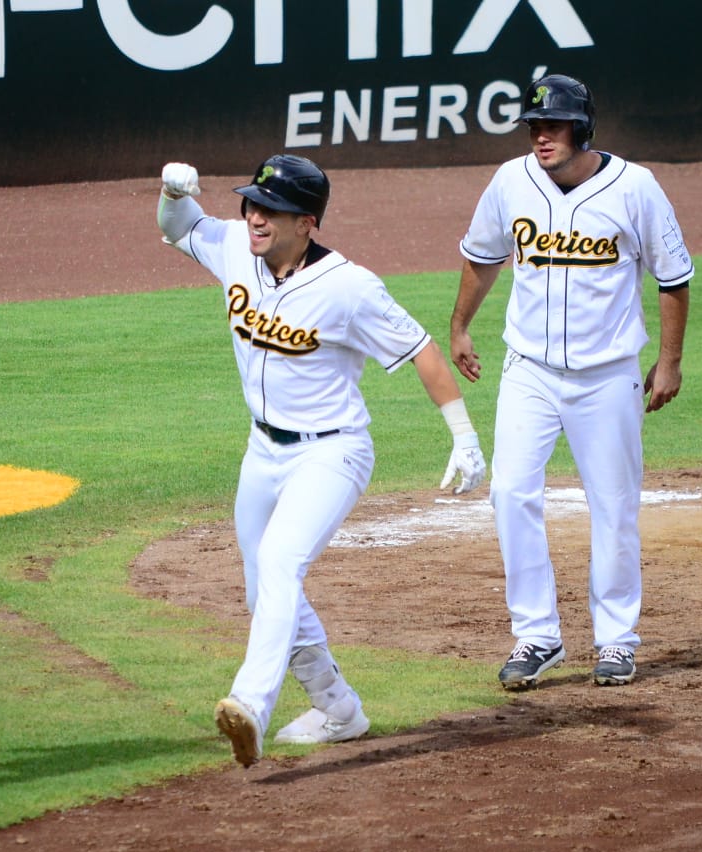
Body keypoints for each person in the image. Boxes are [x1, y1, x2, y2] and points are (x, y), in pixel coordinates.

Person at [156, 153, 487, 768]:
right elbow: (178, 228)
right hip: (262, 451)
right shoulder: (234, 247)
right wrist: (175, 196)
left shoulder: (349, 287)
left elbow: (421, 349)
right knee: (265, 589)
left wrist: (463, 437)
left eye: (271, 210)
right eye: (251, 203)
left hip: (332, 452)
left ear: (307, 222)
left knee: (281, 561)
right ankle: (338, 707)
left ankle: (250, 704)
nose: (254, 217)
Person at [449, 73, 694, 691]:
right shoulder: (511, 180)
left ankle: (616, 642)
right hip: (527, 370)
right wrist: (460, 328)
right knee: (510, 493)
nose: (541, 137)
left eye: (553, 126)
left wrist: (669, 362)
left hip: (607, 377)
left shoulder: (635, 187)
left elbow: (673, 278)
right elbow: (482, 257)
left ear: (582, 127)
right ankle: (537, 636)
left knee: (613, 507)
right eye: (534, 127)